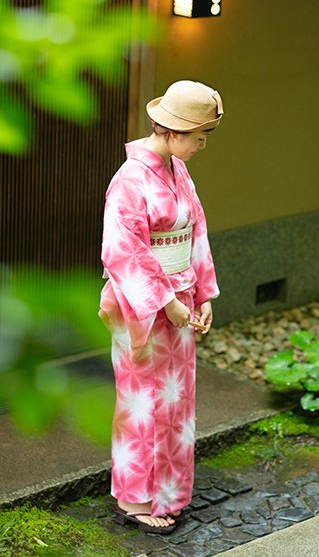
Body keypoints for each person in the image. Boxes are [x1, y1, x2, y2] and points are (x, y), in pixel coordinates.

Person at [98, 80, 223, 534]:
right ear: (171, 131)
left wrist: (203, 293)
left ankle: (169, 491)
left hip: (180, 300)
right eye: (198, 137)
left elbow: (197, 231)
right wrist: (165, 300)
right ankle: (135, 497)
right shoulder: (130, 180)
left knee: (175, 400)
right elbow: (121, 251)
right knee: (142, 400)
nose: (201, 146)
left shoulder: (177, 170)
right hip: (143, 307)